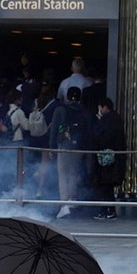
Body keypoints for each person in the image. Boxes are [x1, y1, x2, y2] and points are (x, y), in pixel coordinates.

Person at [50, 86, 92, 219]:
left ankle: (64, 205)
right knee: (74, 173)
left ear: (67, 96)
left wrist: (52, 147)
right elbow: (88, 130)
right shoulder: (84, 110)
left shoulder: (60, 109)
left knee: (63, 174)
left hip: (64, 146)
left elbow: (54, 130)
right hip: (79, 147)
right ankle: (72, 199)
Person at [91, 97, 126, 220]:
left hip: (105, 158)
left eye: (100, 107)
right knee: (107, 187)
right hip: (114, 158)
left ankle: (106, 210)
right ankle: (107, 210)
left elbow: (98, 136)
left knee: (104, 186)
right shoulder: (117, 119)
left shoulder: (106, 121)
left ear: (104, 107)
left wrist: (99, 122)